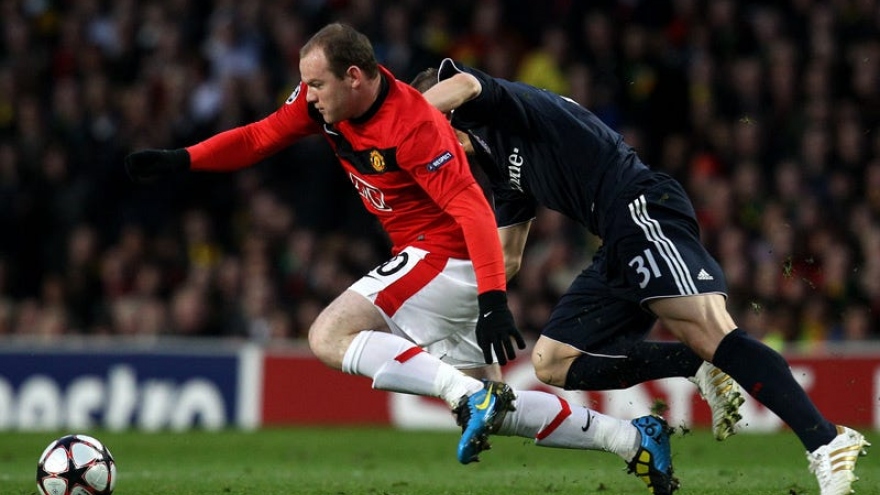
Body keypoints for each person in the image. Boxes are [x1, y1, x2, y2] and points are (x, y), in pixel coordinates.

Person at [125, 23, 679, 495]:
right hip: (435, 260)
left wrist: (493, 300)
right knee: (501, 409)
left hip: (447, 257)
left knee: (329, 335)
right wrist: (183, 159)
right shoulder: (324, 107)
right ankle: (631, 438)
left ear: (354, 77)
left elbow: (472, 208)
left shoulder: (414, 124)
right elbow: (259, 136)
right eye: (305, 84)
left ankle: (466, 395)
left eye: (316, 84)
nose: (308, 96)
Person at [413, 59, 870, 495]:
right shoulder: (498, 166)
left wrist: (407, 123)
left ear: (444, 114)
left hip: (640, 207)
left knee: (709, 329)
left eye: (427, 138)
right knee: (552, 361)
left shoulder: (498, 104)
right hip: (614, 240)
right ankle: (693, 364)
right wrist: (441, 301)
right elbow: (505, 258)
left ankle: (827, 440)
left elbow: (465, 84)